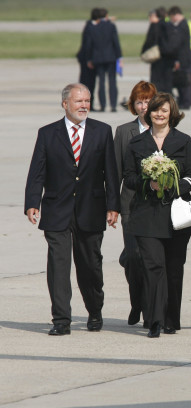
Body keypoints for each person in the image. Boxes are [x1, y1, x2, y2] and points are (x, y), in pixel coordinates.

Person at [24, 83, 120, 335]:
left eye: (87, 101)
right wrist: (32, 202)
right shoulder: (47, 133)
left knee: (90, 265)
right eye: (79, 101)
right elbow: (37, 171)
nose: (84, 106)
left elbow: (111, 172)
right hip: (57, 209)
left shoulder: (102, 131)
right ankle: (61, 320)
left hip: (91, 208)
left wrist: (113, 206)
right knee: (59, 265)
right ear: (65, 104)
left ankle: (95, 310)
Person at [123, 92, 191, 338]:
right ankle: (154, 320)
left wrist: (173, 185)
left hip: (177, 215)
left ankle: (170, 319)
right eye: (155, 110)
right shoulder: (136, 144)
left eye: (164, 110)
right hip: (146, 215)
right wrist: (150, 184)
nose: (159, 114)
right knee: (153, 266)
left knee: (173, 267)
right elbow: (129, 177)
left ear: (172, 114)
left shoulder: (185, 141)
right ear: (148, 113)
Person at [113, 81, 157, 327]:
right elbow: (115, 171)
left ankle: (151, 308)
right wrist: (113, 207)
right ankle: (136, 302)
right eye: (139, 101)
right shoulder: (123, 132)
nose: (144, 106)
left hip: (157, 206)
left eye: (148, 101)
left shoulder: (165, 129)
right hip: (130, 204)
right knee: (132, 258)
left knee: (150, 258)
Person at [86, 8, 122, 112]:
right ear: (106, 16)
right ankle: (113, 105)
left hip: (98, 58)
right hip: (111, 57)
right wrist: (119, 57)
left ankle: (103, 105)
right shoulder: (111, 26)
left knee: (101, 82)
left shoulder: (93, 28)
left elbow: (89, 45)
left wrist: (89, 58)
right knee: (112, 81)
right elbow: (116, 43)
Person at [142, 8, 172, 94]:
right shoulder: (168, 24)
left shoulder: (155, 25)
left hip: (156, 55)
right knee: (165, 78)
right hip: (167, 55)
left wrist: (144, 52)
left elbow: (150, 40)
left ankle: (156, 95)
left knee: (156, 77)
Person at [167, 6, 191, 110]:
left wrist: (177, 59)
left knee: (183, 81)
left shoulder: (182, 26)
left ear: (176, 15)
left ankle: (185, 102)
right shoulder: (184, 24)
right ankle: (184, 101)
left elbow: (179, 44)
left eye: (172, 17)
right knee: (183, 80)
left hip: (182, 58)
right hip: (185, 58)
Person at [76, 8, 100, 107]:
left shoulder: (89, 25)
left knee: (87, 82)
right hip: (87, 60)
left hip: (86, 58)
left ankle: (87, 102)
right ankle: (87, 103)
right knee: (88, 82)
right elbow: (88, 45)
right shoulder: (91, 28)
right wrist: (89, 59)